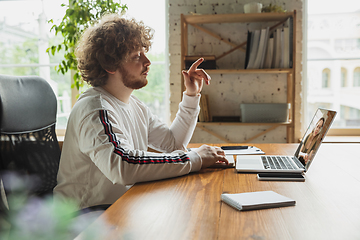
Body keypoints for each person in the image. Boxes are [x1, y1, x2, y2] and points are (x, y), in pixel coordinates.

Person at [53, 13, 228, 209]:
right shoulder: (95, 109)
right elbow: (122, 166)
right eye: (137, 56)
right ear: (110, 64)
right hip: (85, 216)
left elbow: (173, 144)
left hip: (120, 207)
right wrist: (195, 158)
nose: (148, 61)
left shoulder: (134, 105)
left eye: (144, 53)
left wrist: (191, 95)